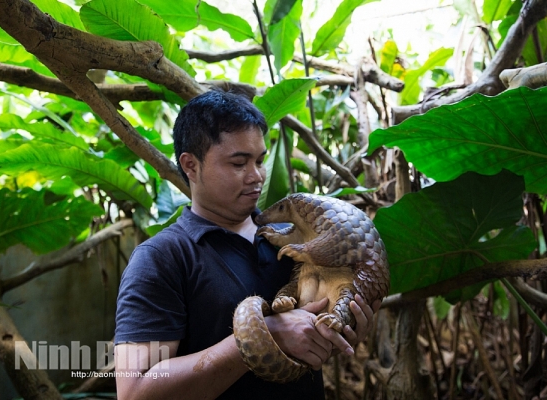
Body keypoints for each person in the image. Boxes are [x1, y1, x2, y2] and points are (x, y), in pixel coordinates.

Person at [114, 90, 378, 399]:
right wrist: (263, 337)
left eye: (260, 161)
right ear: (191, 166)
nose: (256, 177)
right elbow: (135, 391)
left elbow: (309, 334)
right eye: (239, 163)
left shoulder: (293, 237)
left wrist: (338, 331)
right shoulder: (162, 258)